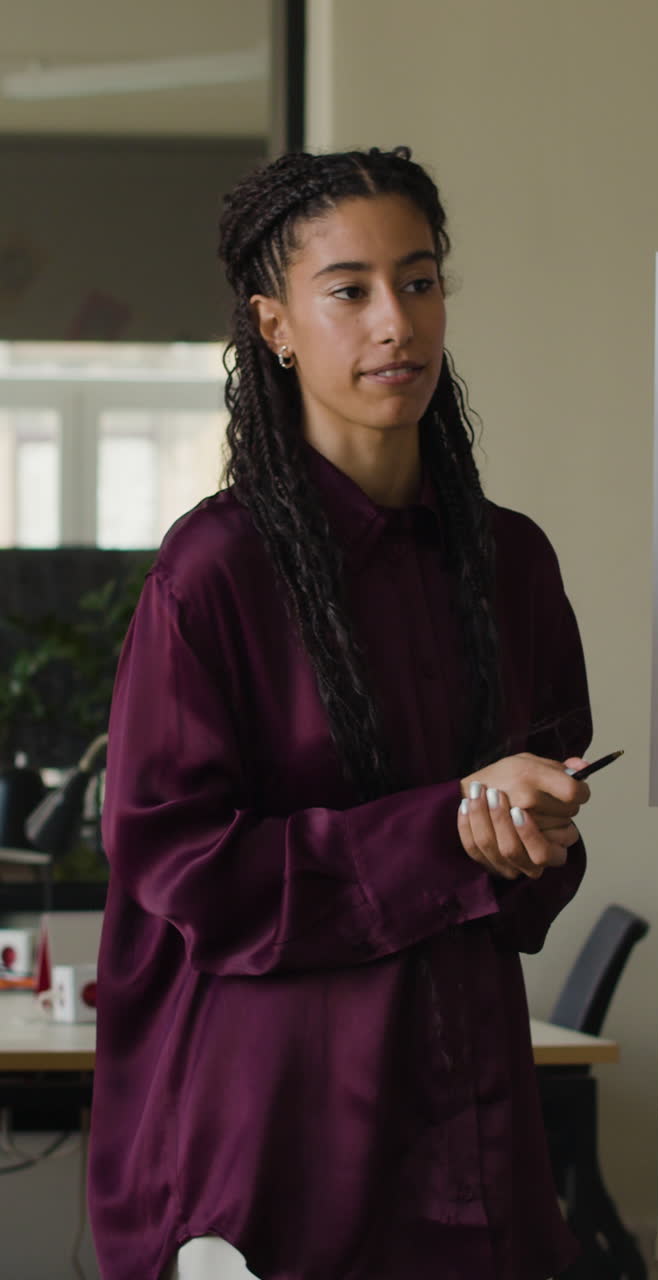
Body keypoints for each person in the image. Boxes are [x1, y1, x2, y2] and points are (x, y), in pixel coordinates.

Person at [88, 146, 593, 1280]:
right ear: (275, 325)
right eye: (350, 289)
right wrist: (449, 827)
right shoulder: (212, 573)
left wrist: (531, 837)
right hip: (277, 1146)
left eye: (419, 282)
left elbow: (536, 875)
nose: (394, 324)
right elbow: (185, 868)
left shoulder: (511, 561)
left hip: (474, 1121)